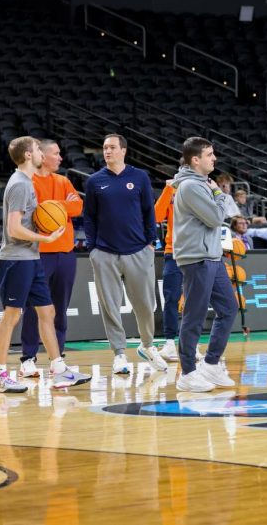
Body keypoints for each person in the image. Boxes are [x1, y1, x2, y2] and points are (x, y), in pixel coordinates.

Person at [0, 137, 90, 392]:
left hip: (32, 258)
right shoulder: (20, 184)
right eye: (37, 149)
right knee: (12, 316)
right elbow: (13, 229)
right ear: (28, 155)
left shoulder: (27, 182)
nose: (41, 154)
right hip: (17, 259)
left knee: (47, 312)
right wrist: (45, 238)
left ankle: (59, 369)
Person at [83, 134, 167, 374]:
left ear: (123, 150)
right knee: (110, 306)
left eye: (112, 147)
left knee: (145, 305)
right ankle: (119, 354)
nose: (107, 151)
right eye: (104, 148)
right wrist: (92, 247)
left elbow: (149, 211)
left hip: (138, 250)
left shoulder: (139, 177)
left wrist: (150, 242)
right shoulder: (95, 181)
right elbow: (89, 216)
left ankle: (147, 345)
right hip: (105, 253)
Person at [171, 137, 243, 392]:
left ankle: (211, 364)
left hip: (211, 256)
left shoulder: (201, 183)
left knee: (229, 308)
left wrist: (216, 194)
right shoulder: (191, 186)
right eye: (210, 154)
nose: (214, 158)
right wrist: (219, 194)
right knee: (195, 315)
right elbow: (215, 217)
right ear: (195, 160)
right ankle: (188, 373)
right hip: (196, 258)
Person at [18, 139, 84, 378]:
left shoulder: (63, 181)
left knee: (60, 308)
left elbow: (78, 207)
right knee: (33, 309)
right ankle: (28, 358)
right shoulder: (28, 182)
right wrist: (58, 208)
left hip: (65, 254)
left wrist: (54, 206)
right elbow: (32, 213)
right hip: (37, 254)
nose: (60, 157)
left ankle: (58, 358)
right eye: (56, 153)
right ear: (43, 156)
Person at [153, 180, 182, 362]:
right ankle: (170, 343)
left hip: (197, 253)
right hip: (174, 252)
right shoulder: (172, 191)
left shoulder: (203, 188)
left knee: (195, 300)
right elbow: (156, 217)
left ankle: (192, 344)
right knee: (171, 298)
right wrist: (168, 188)